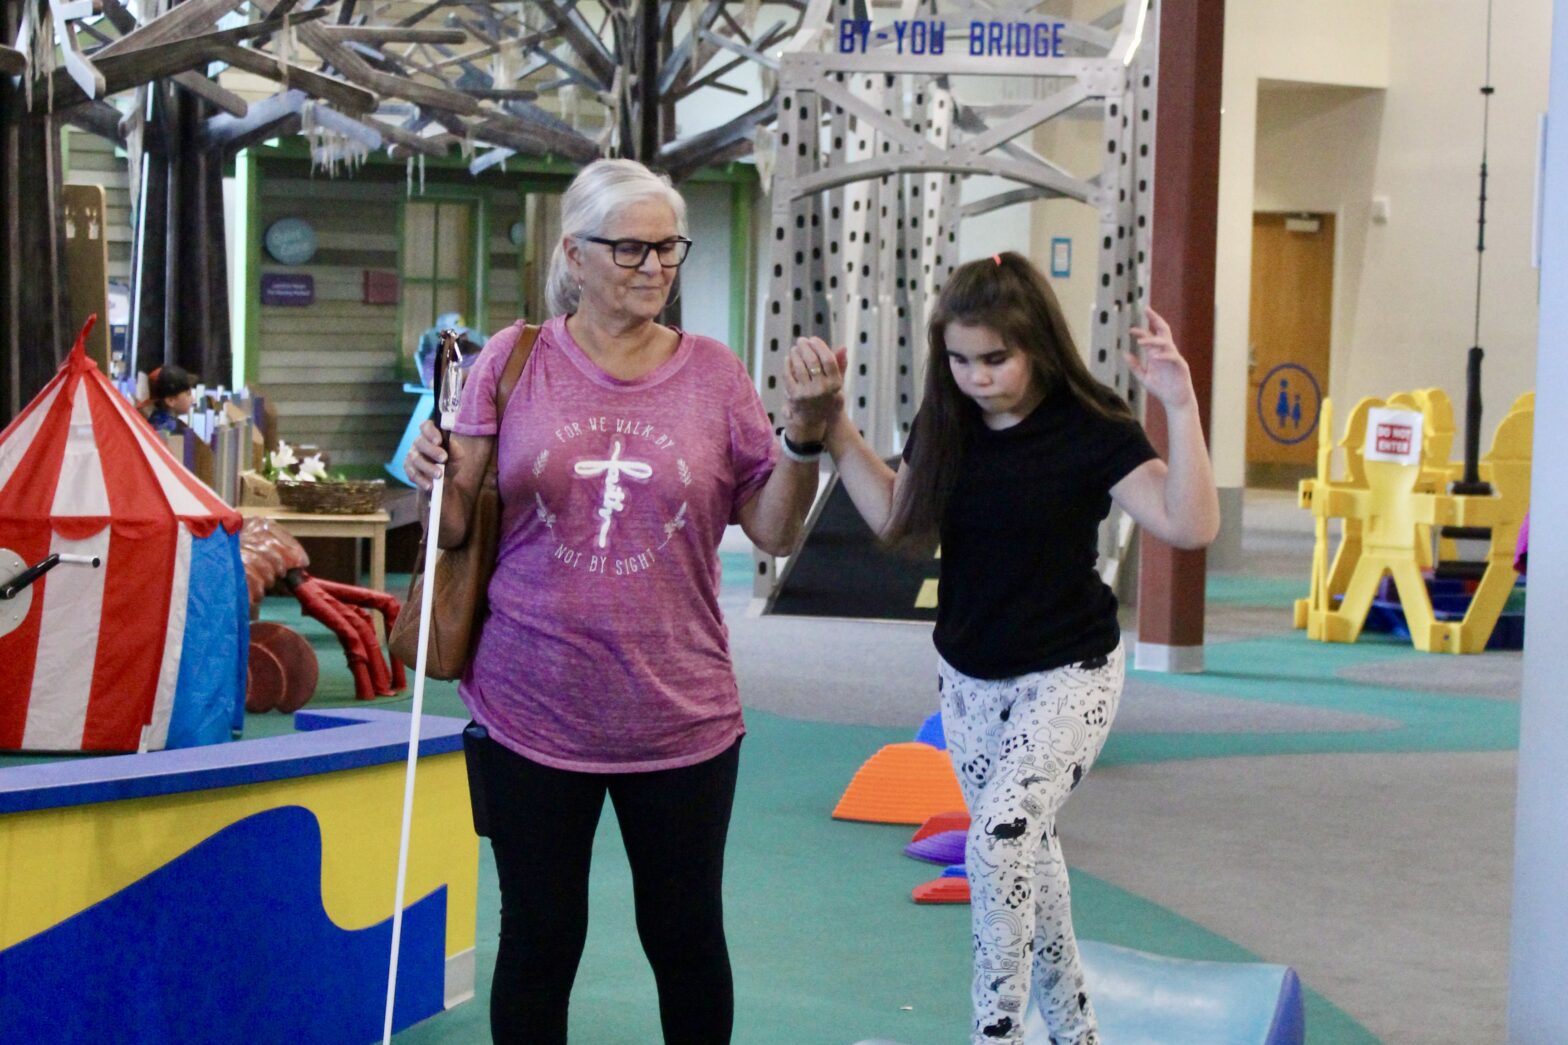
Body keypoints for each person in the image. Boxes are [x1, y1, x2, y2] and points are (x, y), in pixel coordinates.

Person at [403, 158, 836, 1044]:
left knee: (682, 936)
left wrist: (801, 438)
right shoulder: (512, 359)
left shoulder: (714, 375)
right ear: (575, 254)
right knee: (541, 939)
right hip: (530, 703)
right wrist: (428, 474)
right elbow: (455, 522)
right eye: (631, 248)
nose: (653, 267)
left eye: (667, 248)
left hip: (680, 712)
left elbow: (775, 531)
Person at [791, 251, 1220, 1045]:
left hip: (1070, 672)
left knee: (1000, 835)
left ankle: (997, 1034)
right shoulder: (947, 422)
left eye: (995, 359)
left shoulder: (1092, 428)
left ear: (1036, 346)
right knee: (1026, 848)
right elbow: (895, 519)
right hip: (968, 676)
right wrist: (834, 422)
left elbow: (1188, 524)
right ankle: (1076, 1032)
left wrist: (1181, 405)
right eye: (959, 360)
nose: (977, 376)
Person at [139, 365, 197, 434]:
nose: (193, 399)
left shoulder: (154, 420)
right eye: (188, 393)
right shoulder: (169, 427)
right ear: (170, 400)